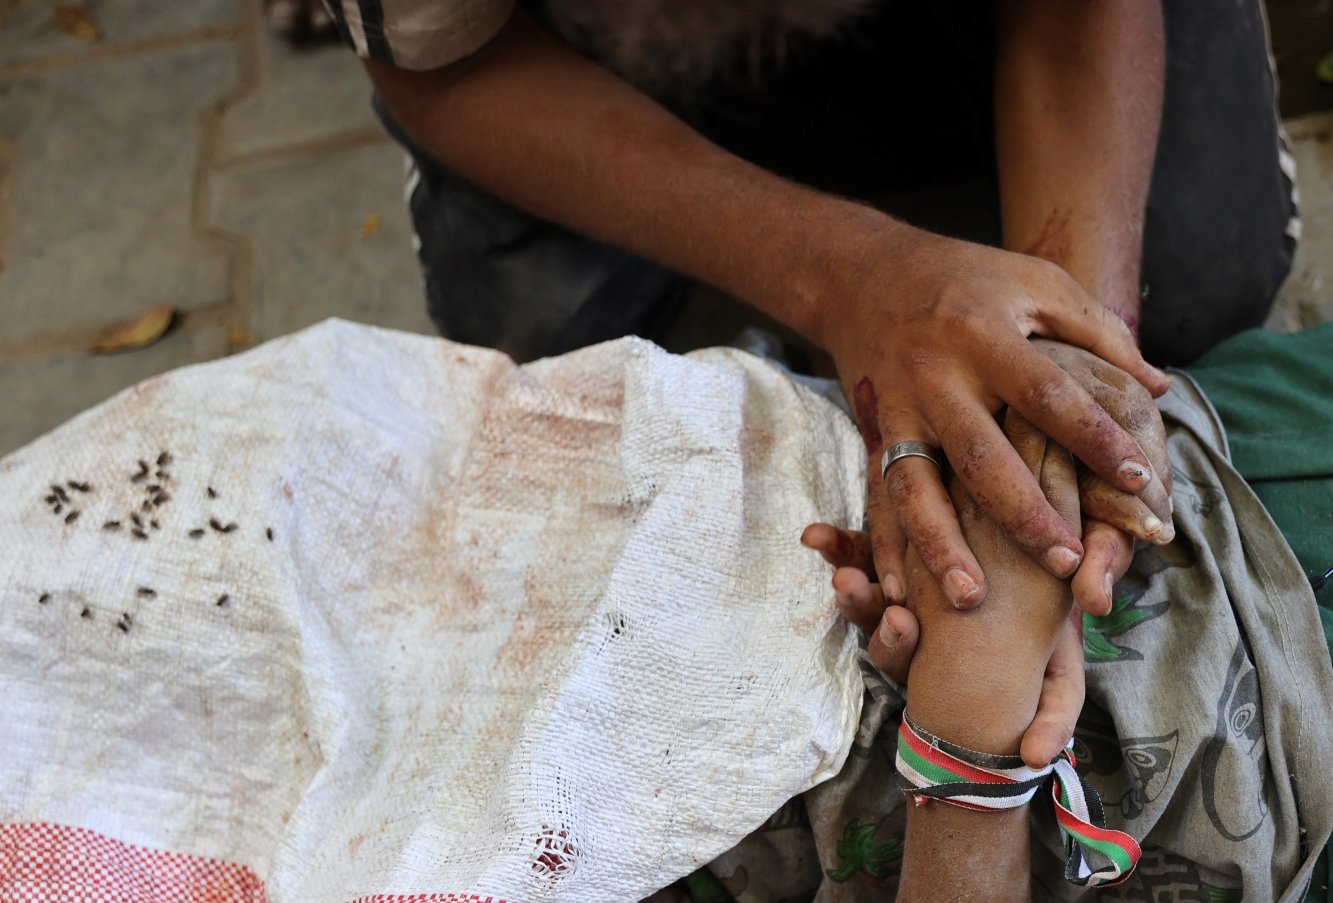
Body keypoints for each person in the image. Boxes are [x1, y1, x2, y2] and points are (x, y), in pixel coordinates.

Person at [414, 321, 1333, 903]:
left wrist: (1014, 413)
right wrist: (972, 701)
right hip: (1283, 762)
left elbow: (901, 332)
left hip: (1240, 443)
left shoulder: (445, 436)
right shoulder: (463, 894)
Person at [326, 0, 1295, 624]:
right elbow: (448, 68)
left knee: (1191, 286)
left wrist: (1067, 346)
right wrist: (846, 277)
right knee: (562, 372)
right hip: (527, 56)